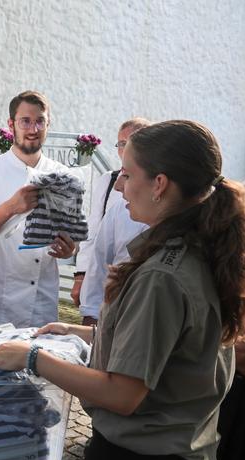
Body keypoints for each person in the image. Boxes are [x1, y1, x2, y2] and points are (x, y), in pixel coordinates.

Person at [0, 120, 245, 460]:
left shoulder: (162, 276)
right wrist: (80, 332)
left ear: (159, 185)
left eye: (128, 175)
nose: (119, 186)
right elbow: (169, 347)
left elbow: (122, 394)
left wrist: (32, 357)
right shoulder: (196, 251)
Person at [0, 91, 76, 328]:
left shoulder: (64, 175)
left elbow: (73, 239)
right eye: (25, 121)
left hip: (41, 307)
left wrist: (69, 249)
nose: (33, 129)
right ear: (11, 124)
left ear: (48, 124)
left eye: (40, 121)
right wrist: (11, 207)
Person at [72, 117, 151, 320]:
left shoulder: (156, 192)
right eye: (121, 143)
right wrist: (81, 275)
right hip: (108, 285)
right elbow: (94, 235)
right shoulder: (109, 181)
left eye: (130, 142)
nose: (125, 149)